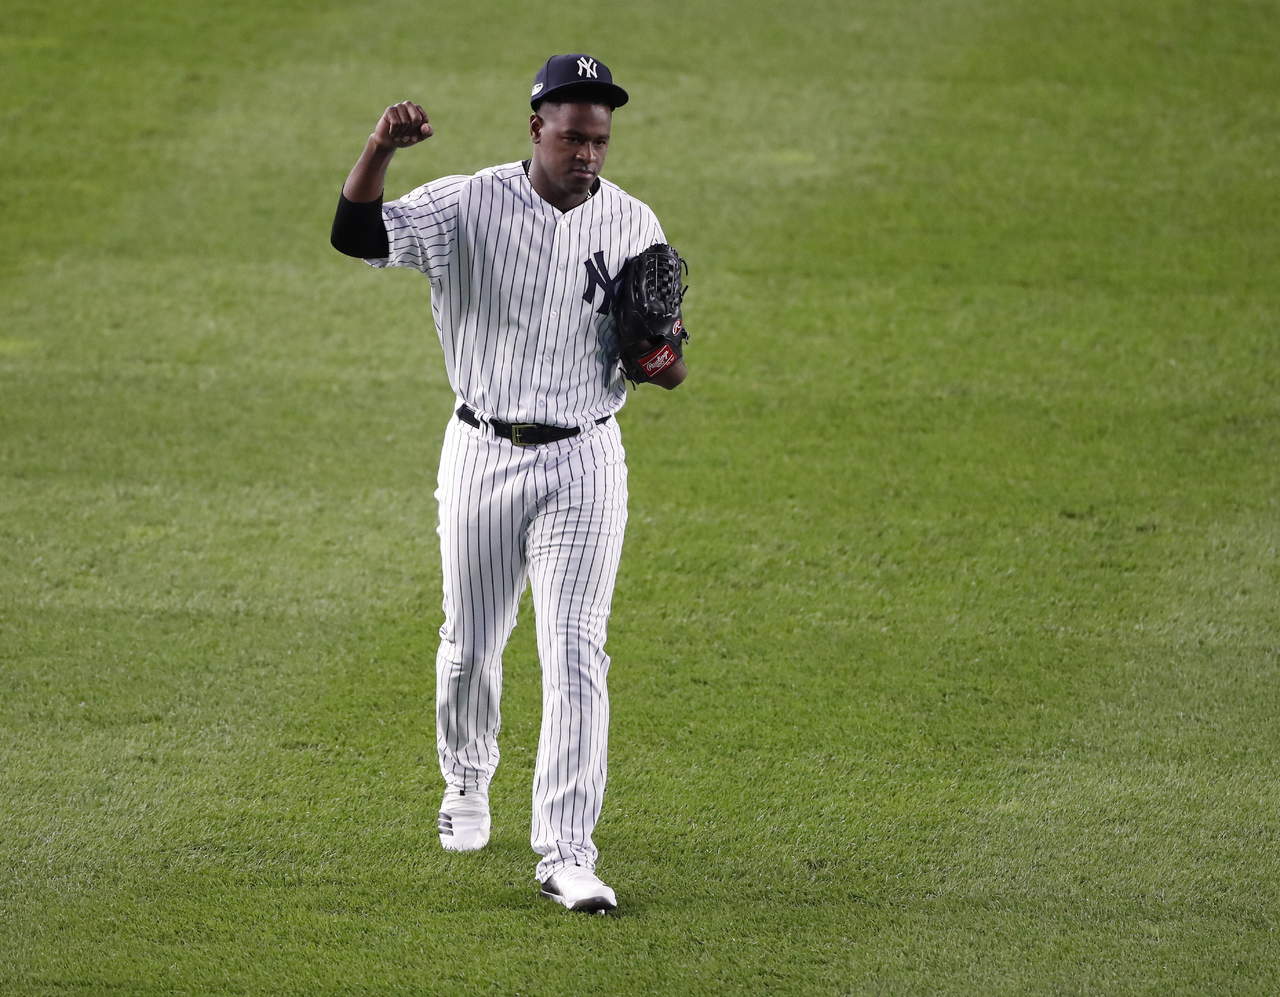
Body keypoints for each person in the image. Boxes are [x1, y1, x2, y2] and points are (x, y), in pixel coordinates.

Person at [330, 53, 686, 914]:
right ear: (537, 128)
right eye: (572, 137)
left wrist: (654, 350)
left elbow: (668, 364)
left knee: (576, 651)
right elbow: (357, 235)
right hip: (483, 452)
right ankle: (466, 775)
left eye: (599, 140)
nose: (588, 154)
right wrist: (381, 148)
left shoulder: (634, 222)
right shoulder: (466, 204)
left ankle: (568, 853)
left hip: (585, 459)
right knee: (469, 643)